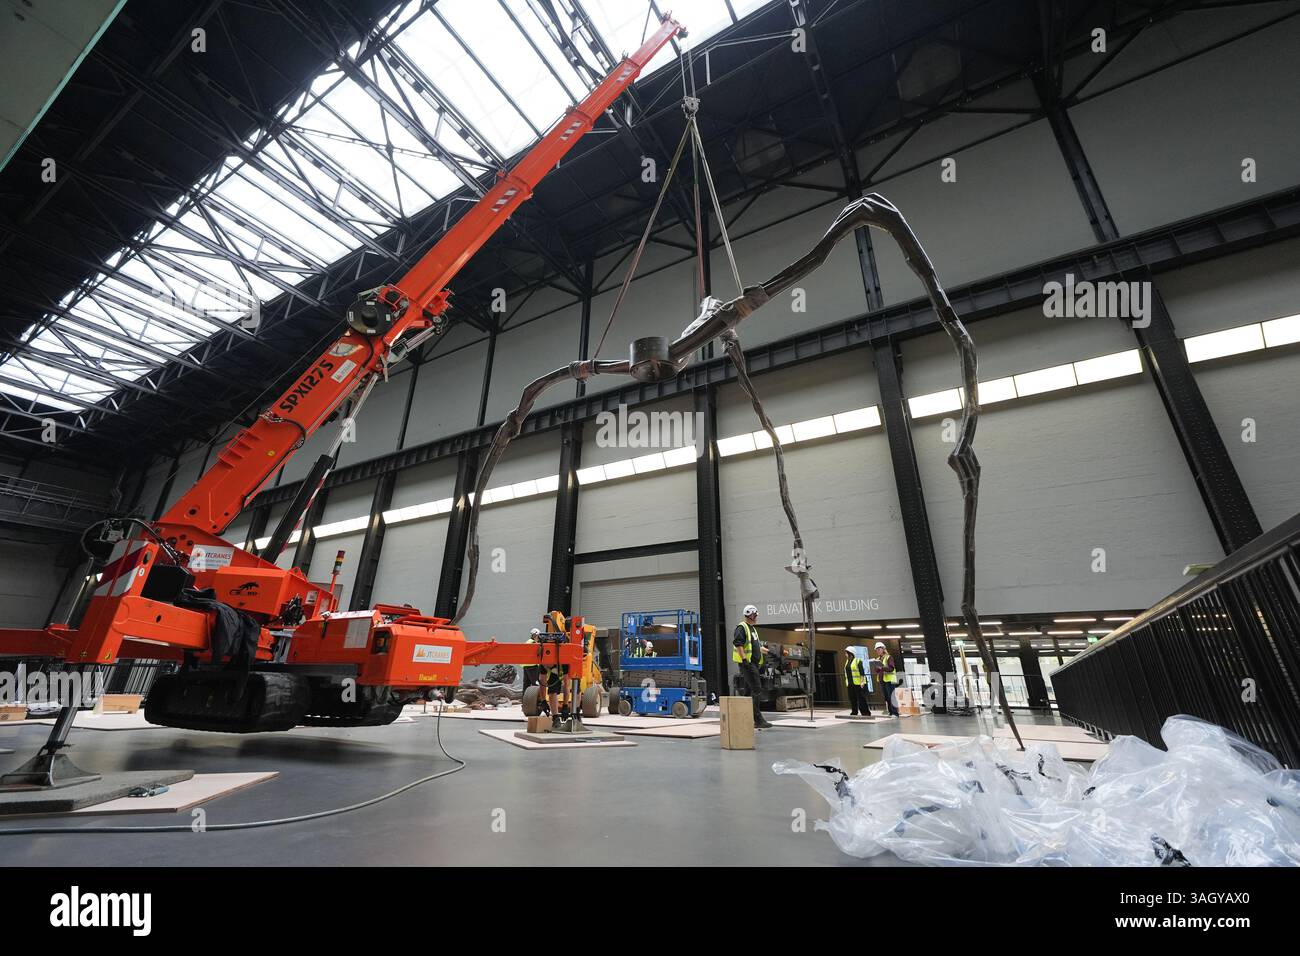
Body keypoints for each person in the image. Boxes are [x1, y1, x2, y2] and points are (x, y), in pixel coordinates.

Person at [733, 604, 773, 729]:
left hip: (754, 664)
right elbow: (738, 644)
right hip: (748, 664)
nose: (756, 617)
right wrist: (744, 660)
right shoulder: (742, 627)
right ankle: (758, 719)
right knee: (756, 689)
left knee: (748, 692)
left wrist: (769, 652)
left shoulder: (752, 629)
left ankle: (743, 717)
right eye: (754, 615)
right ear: (749, 615)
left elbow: (756, 646)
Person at [872, 641, 901, 717]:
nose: (877, 651)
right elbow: (877, 670)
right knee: (887, 697)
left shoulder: (889, 657)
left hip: (889, 680)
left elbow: (891, 668)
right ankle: (891, 712)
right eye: (876, 649)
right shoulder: (878, 659)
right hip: (882, 680)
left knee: (891, 697)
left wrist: (882, 667)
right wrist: (876, 667)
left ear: (883, 649)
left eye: (879, 649)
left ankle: (895, 713)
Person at [843, 651, 871, 716]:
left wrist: (862, 682)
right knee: (852, 698)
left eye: (846, 653)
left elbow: (862, 673)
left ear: (850, 653)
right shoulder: (847, 662)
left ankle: (865, 712)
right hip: (850, 683)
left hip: (858, 683)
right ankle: (854, 712)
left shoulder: (858, 661)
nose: (845, 655)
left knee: (861, 699)